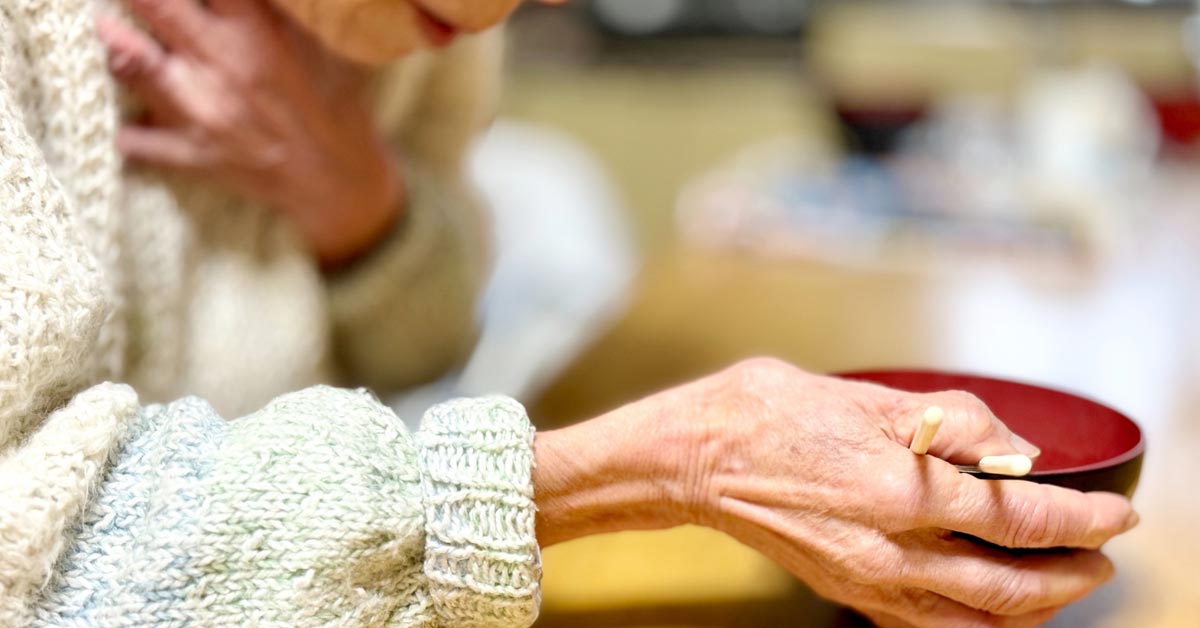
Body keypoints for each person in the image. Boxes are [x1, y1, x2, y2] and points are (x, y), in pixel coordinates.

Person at [0, 1, 1137, 627]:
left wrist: (360, 204)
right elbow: (35, 558)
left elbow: (423, 340)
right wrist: (667, 461)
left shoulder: (433, 31)